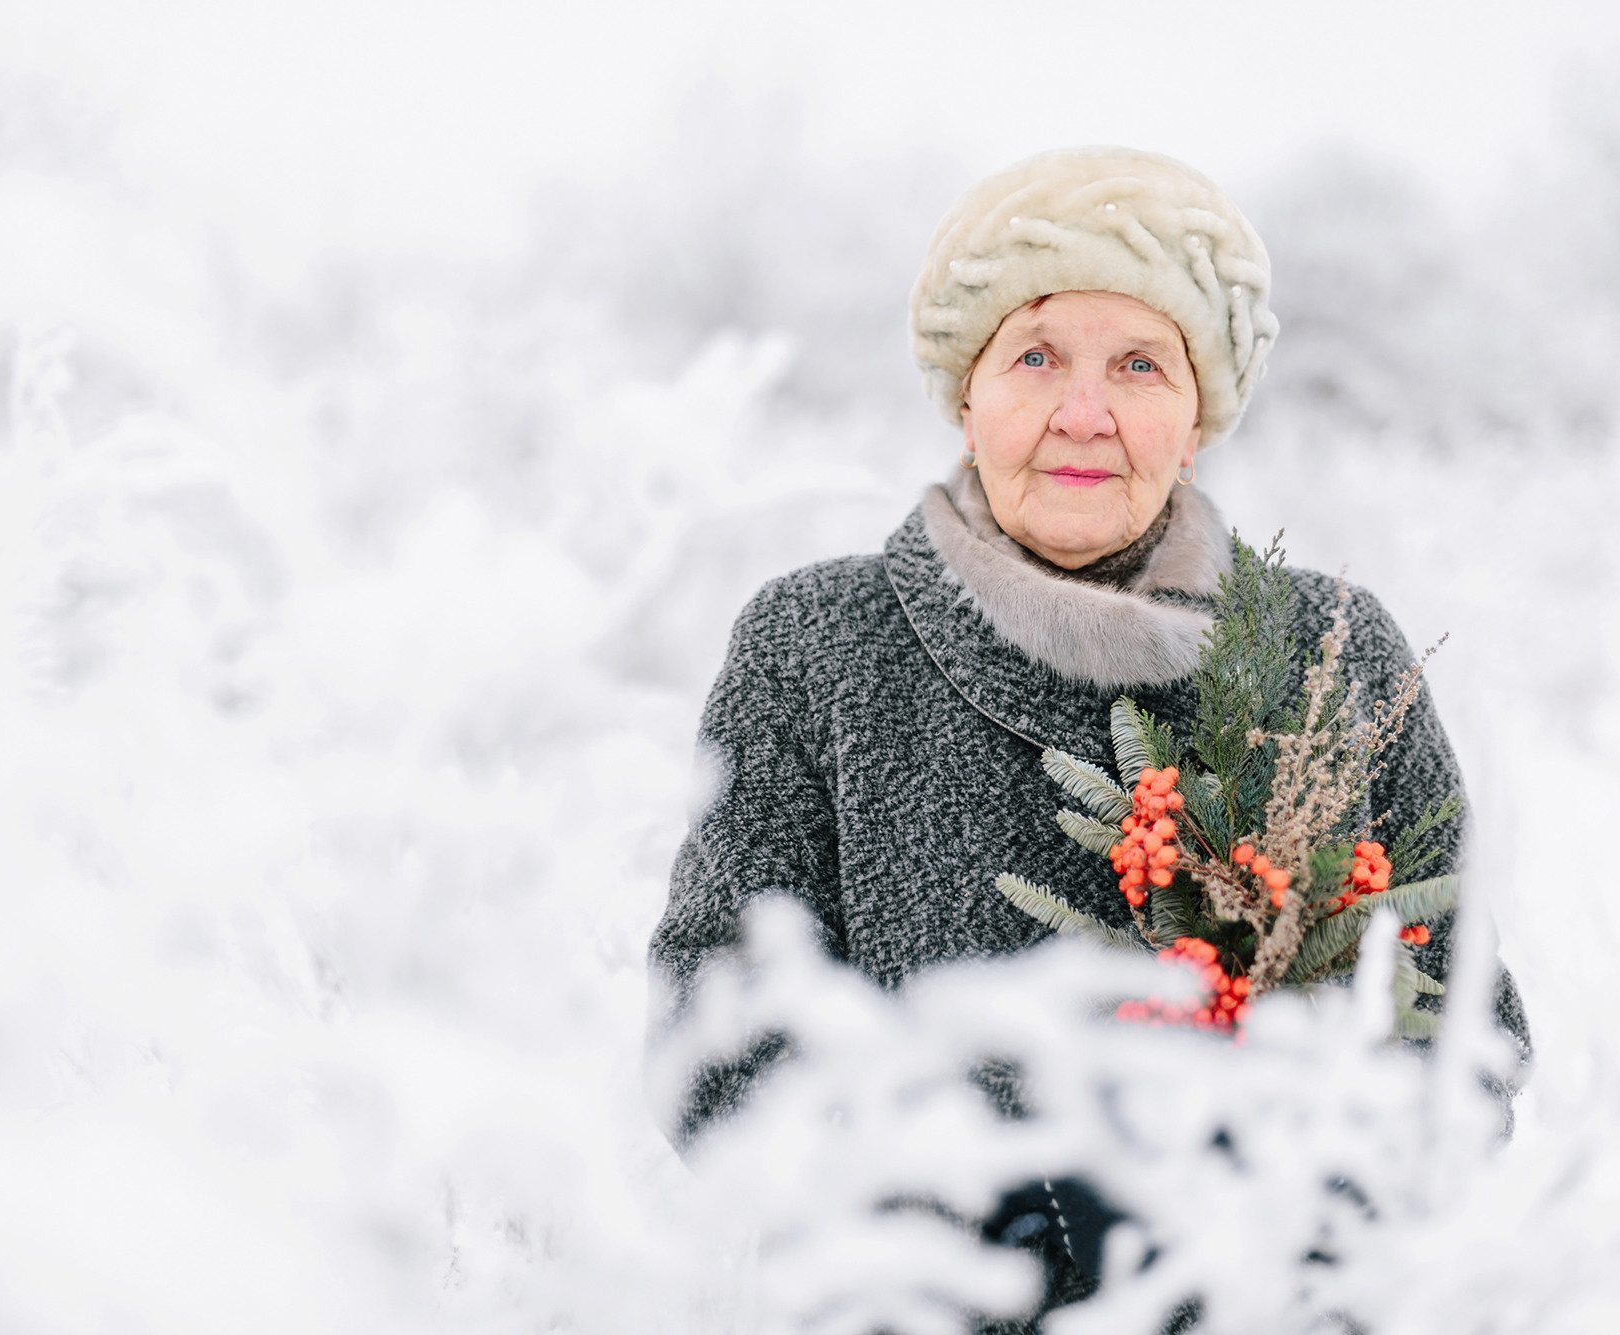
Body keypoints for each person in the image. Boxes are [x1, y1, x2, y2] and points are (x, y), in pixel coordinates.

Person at [647, 146, 1531, 1318]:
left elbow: (1467, 1042)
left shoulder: (1329, 655)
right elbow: (709, 1041)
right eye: (1034, 357)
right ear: (966, 396)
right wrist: (943, 1210)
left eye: (1138, 365)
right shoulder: (819, 646)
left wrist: (1269, 1211)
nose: (1082, 414)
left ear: (1197, 414)